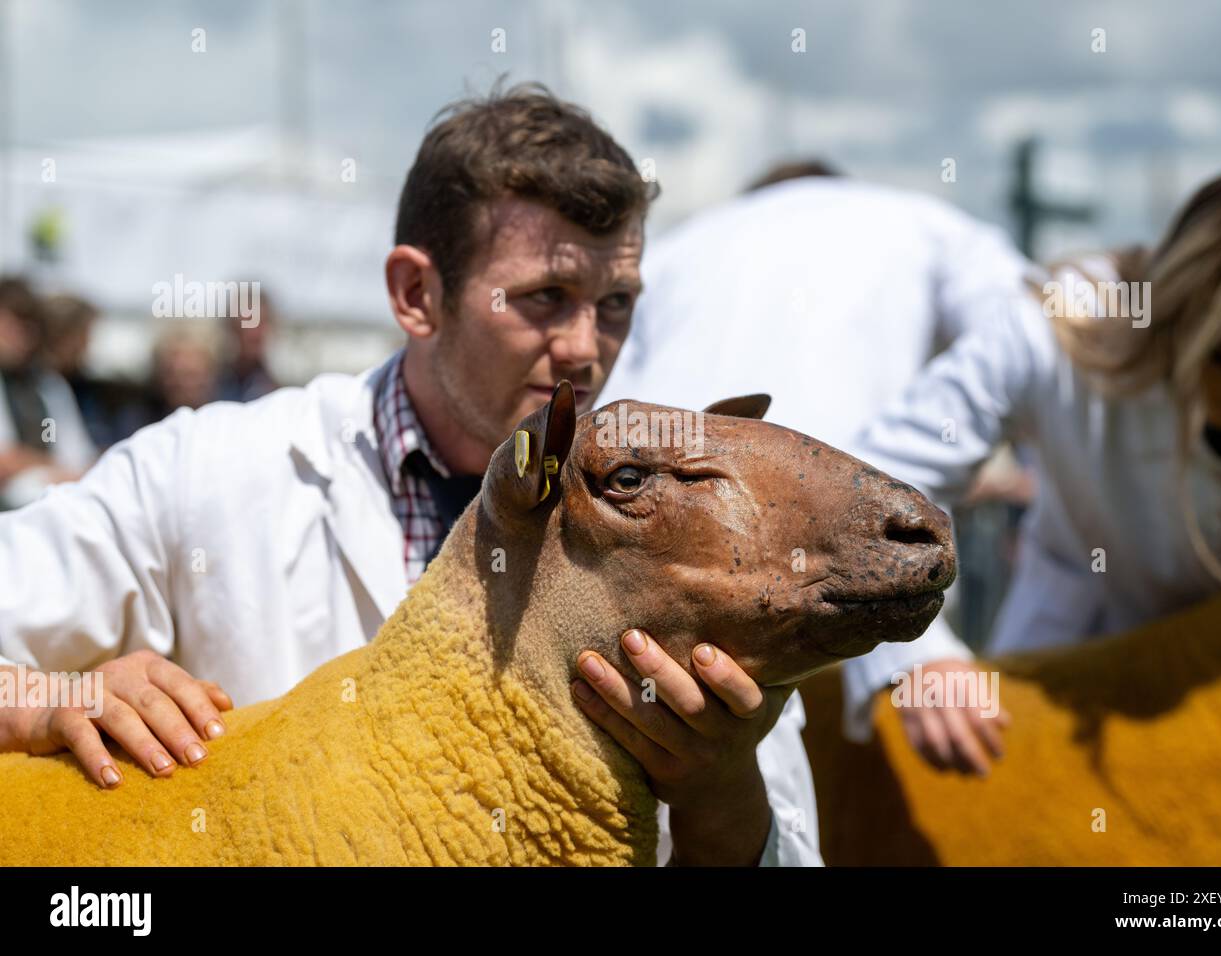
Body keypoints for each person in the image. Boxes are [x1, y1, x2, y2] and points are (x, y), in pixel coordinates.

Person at [0, 85, 818, 867]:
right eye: (546, 296)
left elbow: (795, 850)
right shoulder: (204, 475)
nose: (584, 346)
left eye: (615, 303)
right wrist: (44, 697)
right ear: (417, 292)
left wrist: (723, 800)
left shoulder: (692, 537)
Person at [840, 160, 1221, 774]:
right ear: (1176, 307)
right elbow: (879, 480)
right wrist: (919, 658)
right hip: (1057, 675)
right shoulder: (1055, 327)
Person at [601, 160, 1032, 774]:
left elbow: (603, 428)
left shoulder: (672, 252)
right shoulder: (926, 225)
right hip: (841, 582)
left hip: (647, 588)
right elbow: (1046, 340)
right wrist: (916, 653)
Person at [0, 278, 98, 510]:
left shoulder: (49, 386)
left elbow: (79, 457)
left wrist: (51, 470)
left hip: (47, 502)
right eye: (13, 323)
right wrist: (52, 468)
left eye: (30, 325)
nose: (23, 335)